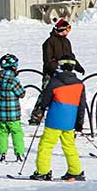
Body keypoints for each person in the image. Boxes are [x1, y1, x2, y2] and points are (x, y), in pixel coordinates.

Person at [28, 53, 87, 181]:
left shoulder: (55, 82)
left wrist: (40, 111)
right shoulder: (80, 84)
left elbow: (45, 100)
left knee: (46, 145)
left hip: (55, 119)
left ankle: (42, 171)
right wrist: (79, 123)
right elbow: (82, 105)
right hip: (70, 120)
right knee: (69, 146)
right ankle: (75, 171)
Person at [0, 53, 26, 162]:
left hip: (1, 113)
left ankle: (1, 153)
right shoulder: (13, 80)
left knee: (2, 132)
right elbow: (21, 93)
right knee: (17, 132)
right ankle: (19, 153)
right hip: (13, 113)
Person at [41, 19, 84, 88]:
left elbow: (71, 57)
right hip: (51, 74)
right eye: (67, 29)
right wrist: (58, 69)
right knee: (48, 94)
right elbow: (48, 60)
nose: (68, 31)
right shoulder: (50, 42)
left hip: (65, 74)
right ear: (62, 29)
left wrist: (78, 67)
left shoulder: (67, 42)